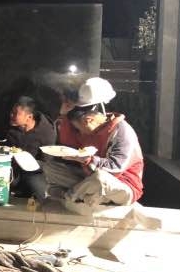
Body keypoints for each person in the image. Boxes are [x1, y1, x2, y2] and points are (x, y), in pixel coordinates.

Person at [41, 77, 144, 215]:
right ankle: (82, 196)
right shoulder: (89, 129)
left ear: (88, 120)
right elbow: (67, 143)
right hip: (88, 179)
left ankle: (71, 196)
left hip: (121, 185)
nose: (80, 133)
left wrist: (88, 160)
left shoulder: (121, 131)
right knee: (50, 167)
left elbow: (116, 168)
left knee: (100, 179)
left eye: (80, 129)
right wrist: (64, 115)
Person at [4, 96, 55, 199]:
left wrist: (28, 161)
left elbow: (47, 162)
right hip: (13, 170)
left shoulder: (46, 132)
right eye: (11, 112)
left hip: (35, 173)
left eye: (15, 113)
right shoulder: (11, 127)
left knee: (38, 190)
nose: (11, 115)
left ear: (29, 117)